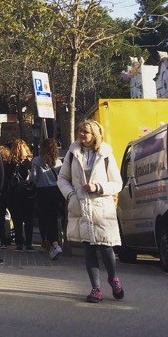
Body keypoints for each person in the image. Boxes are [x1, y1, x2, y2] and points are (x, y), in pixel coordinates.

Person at [58, 118, 124, 302]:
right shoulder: (73, 153)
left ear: (95, 135)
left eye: (85, 132)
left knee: (106, 248)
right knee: (88, 248)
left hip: (101, 208)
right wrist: (71, 194)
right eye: (80, 131)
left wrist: (98, 187)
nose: (81, 135)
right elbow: (62, 178)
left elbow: (117, 183)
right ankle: (96, 288)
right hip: (81, 207)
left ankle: (113, 278)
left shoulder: (105, 154)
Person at [30, 138, 63, 259]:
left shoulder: (37, 161)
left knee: (44, 218)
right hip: (55, 190)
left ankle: (53, 243)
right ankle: (54, 242)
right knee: (53, 217)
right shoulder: (58, 162)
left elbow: (33, 178)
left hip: (42, 191)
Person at [5, 139, 36, 251]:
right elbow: (34, 179)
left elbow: (6, 180)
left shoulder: (9, 164)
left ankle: (19, 243)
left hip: (14, 195)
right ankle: (29, 243)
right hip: (28, 195)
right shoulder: (30, 163)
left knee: (17, 220)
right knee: (29, 220)